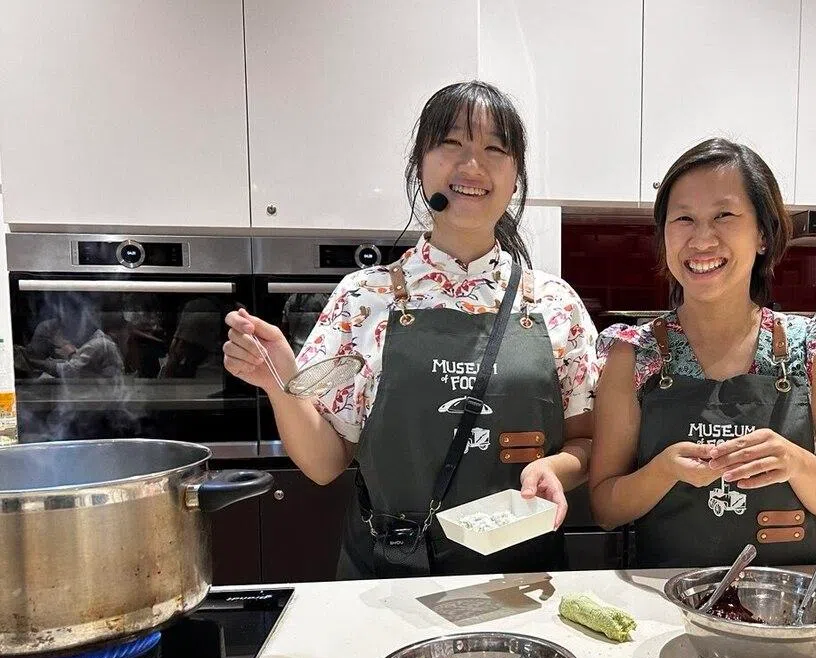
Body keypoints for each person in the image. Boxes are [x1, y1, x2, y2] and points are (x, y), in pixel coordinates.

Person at [223, 81, 598, 579]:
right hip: (391, 573)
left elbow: (588, 443)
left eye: (494, 149)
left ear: (515, 180)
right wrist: (278, 382)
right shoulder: (364, 299)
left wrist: (556, 468)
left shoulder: (555, 304)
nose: (472, 166)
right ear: (420, 164)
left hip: (522, 575)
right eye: (452, 144)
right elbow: (324, 463)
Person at [588, 138, 816, 568]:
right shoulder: (635, 354)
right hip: (664, 602)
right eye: (683, 218)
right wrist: (664, 469)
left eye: (724, 216)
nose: (702, 239)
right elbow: (606, 507)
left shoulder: (812, 349)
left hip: (785, 600)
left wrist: (795, 462)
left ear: (762, 234)